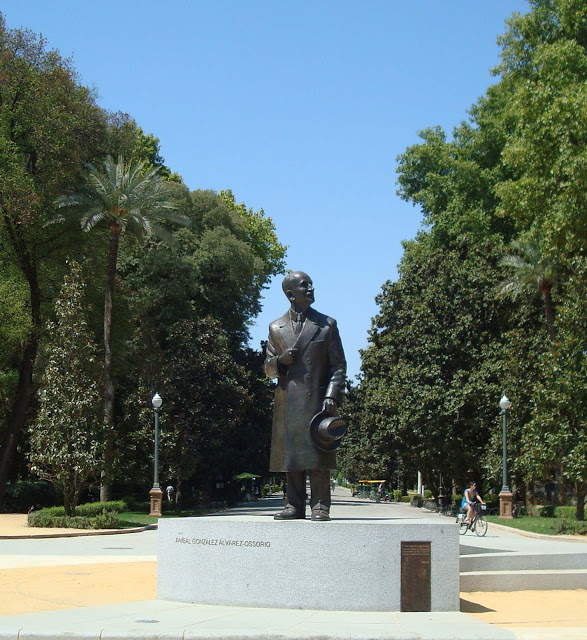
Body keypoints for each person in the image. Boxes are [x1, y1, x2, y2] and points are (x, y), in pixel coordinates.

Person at [265, 271, 346, 522]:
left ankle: (320, 505)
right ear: (291, 295)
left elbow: (338, 366)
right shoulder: (275, 327)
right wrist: (280, 360)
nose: (310, 288)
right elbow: (267, 367)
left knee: (318, 453)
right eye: (304, 286)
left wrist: (332, 396)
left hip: (317, 400)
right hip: (288, 399)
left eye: (311, 284)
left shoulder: (326, 324)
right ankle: (294, 504)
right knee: (292, 455)